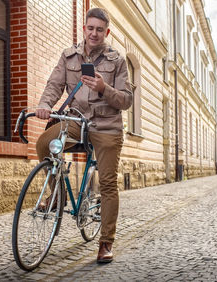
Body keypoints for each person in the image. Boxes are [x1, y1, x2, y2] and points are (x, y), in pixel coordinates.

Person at [35, 7, 133, 264]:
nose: (94, 33)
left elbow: (126, 100)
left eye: (100, 29)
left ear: (106, 32)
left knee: (108, 182)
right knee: (44, 143)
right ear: (84, 28)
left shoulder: (118, 60)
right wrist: (45, 105)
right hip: (77, 121)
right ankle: (58, 194)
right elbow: (54, 84)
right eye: (90, 28)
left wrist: (104, 88)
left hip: (106, 126)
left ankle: (106, 242)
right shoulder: (69, 56)